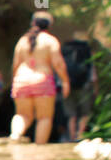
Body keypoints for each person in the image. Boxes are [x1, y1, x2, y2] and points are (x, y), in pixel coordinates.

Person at [9, 11, 69, 144]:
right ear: (49, 25)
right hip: (42, 81)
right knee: (44, 118)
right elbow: (58, 64)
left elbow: (15, 64)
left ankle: (15, 135)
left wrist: (14, 81)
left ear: (32, 23)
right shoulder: (50, 41)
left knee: (22, 115)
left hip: (21, 80)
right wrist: (65, 81)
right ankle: (39, 148)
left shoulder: (22, 41)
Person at [61, 33, 96, 141]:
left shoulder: (65, 50)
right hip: (83, 85)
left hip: (67, 85)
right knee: (85, 113)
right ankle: (79, 136)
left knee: (71, 115)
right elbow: (93, 74)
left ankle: (71, 137)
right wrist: (95, 88)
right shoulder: (86, 51)